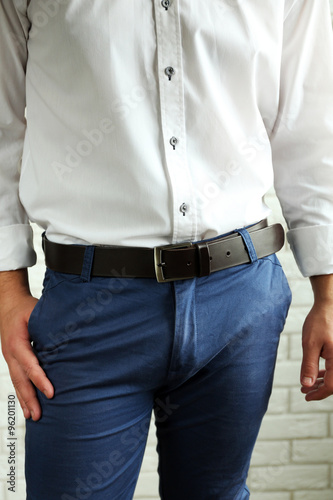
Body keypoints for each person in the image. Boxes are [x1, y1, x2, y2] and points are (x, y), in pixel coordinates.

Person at [0, 1, 332, 499]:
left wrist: (328, 292)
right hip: (89, 313)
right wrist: (7, 292)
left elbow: (308, 126)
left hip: (239, 301)